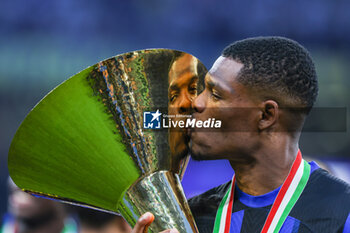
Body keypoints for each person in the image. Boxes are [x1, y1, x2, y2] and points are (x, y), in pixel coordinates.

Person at [132, 37, 350, 233]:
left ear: (266, 115)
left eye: (215, 94)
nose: (196, 102)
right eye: (203, 90)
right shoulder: (189, 220)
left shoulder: (342, 212)